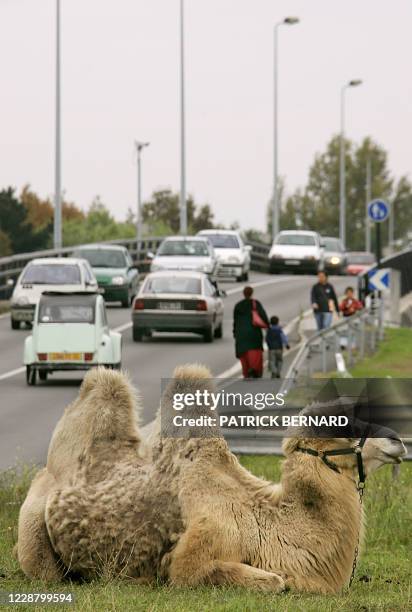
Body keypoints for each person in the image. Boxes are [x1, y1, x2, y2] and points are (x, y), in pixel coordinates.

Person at [233, 286, 269, 379]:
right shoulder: (256, 304)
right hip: (254, 332)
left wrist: (235, 332)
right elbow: (263, 316)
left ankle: (246, 371)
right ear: (252, 293)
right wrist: (268, 327)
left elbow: (235, 321)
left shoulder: (238, 305)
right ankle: (254, 369)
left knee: (243, 353)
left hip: (241, 332)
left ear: (243, 293)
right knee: (254, 352)